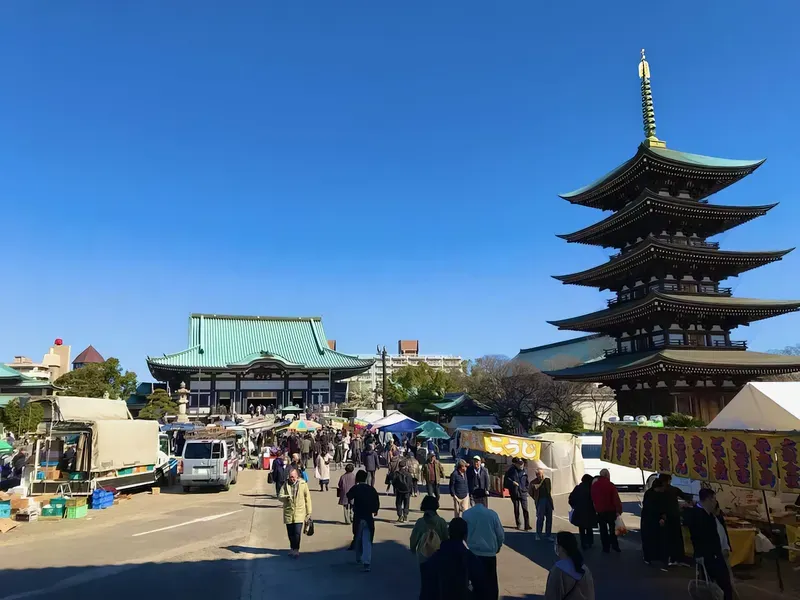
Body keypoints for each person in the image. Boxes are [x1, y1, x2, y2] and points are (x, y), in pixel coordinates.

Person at [419, 517, 487, 600]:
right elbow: (482, 588)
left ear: (448, 533)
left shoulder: (433, 559)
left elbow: (426, 591)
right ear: (465, 536)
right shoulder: (471, 559)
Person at [687, 489, 733, 600]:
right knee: (719, 585)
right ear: (708, 499)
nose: (715, 502)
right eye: (714, 499)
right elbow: (697, 537)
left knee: (720, 585)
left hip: (715, 555)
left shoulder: (710, 516)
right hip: (708, 557)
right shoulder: (698, 515)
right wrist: (699, 554)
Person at [463, 489, 504, 600]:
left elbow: (464, 534)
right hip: (489, 554)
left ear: (474, 499)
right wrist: (498, 547)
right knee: (491, 584)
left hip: (473, 553)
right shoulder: (492, 514)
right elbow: (500, 535)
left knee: (474, 584)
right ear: (484, 499)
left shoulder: (466, 514)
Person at [347, 469, 381, 572]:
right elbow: (376, 501)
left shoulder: (356, 488)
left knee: (358, 538)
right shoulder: (371, 489)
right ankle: (367, 562)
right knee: (367, 540)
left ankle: (358, 557)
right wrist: (375, 510)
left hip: (358, 516)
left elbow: (348, 496)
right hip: (368, 517)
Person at [545, 532, 595, 600]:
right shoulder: (584, 569)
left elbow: (551, 595)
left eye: (556, 544)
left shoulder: (558, 570)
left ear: (561, 548)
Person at [278, 466, 313, 559]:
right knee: (290, 533)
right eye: (290, 477)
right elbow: (280, 496)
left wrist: (309, 512)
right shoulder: (285, 484)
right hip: (289, 512)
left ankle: (296, 549)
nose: (292, 479)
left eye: (293, 477)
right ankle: (292, 547)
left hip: (299, 512)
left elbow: (307, 498)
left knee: (297, 532)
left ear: (297, 476)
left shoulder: (303, 484)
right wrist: (286, 497)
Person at [659, 473, 692, 566]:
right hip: (674, 516)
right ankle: (677, 558)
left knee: (666, 538)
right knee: (677, 538)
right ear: (668, 480)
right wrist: (689, 502)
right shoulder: (673, 489)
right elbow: (685, 497)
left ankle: (668, 558)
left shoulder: (658, 491)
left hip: (665, 517)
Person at [410, 495, 449, 569]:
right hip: (438, 554)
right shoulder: (441, 522)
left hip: (423, 554)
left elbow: (414, 538)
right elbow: (445, 538)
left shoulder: (420, 522)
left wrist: (413, 548)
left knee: (424, 573)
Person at [591, 468, 622, 553]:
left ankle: (605, 547)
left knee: (603, 530)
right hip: (610, 510)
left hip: (600, 511)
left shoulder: (594, 485)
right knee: (612, 529)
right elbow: (616, 499)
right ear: (607, 475)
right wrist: (618, 510)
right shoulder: (610, 485)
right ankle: (614, 545)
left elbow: (593, 498)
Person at [640, 476, 668, 568]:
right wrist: (661, 517)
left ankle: (650, 557)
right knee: (651, 539)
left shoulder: (650, 493)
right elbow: (652, 509)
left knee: (651, 539)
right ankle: (650, 557)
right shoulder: (653, 495)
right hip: (650, 520)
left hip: (650, 520)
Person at [568, 474, 597, 550]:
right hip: (590, 511)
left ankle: (583, 543)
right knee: (589, 527)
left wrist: (574, 506)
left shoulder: (578, 488)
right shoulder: (591, 488)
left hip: (579, 511)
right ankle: (590, 542)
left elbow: (571, 499)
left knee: (581, 528)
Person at [504, 458, 531, 531]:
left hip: (523, 492)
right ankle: (518, 524)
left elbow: (527, 482)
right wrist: (512, 483)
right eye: (519, 464)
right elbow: (506, 480)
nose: (521, 465)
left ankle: (527, 525)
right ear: (516, 464)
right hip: (514, 492)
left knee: (525, 509)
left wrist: (526, 489)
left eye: (522, 464)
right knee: (516, 509)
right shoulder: (511, 471)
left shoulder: (525, 471)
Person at [532, 468, 554, 541]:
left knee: (549, 518)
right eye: (538, 474)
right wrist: (535, 498)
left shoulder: (547, 480)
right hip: (540, 500)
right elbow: (531, 491)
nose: (540, 475)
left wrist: (542, 482)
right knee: (540, 518)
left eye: (541, 474)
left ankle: (548, 535)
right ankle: (538, 534)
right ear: (536, 475)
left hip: (548, 500)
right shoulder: (534, 482)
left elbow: (549, 489)